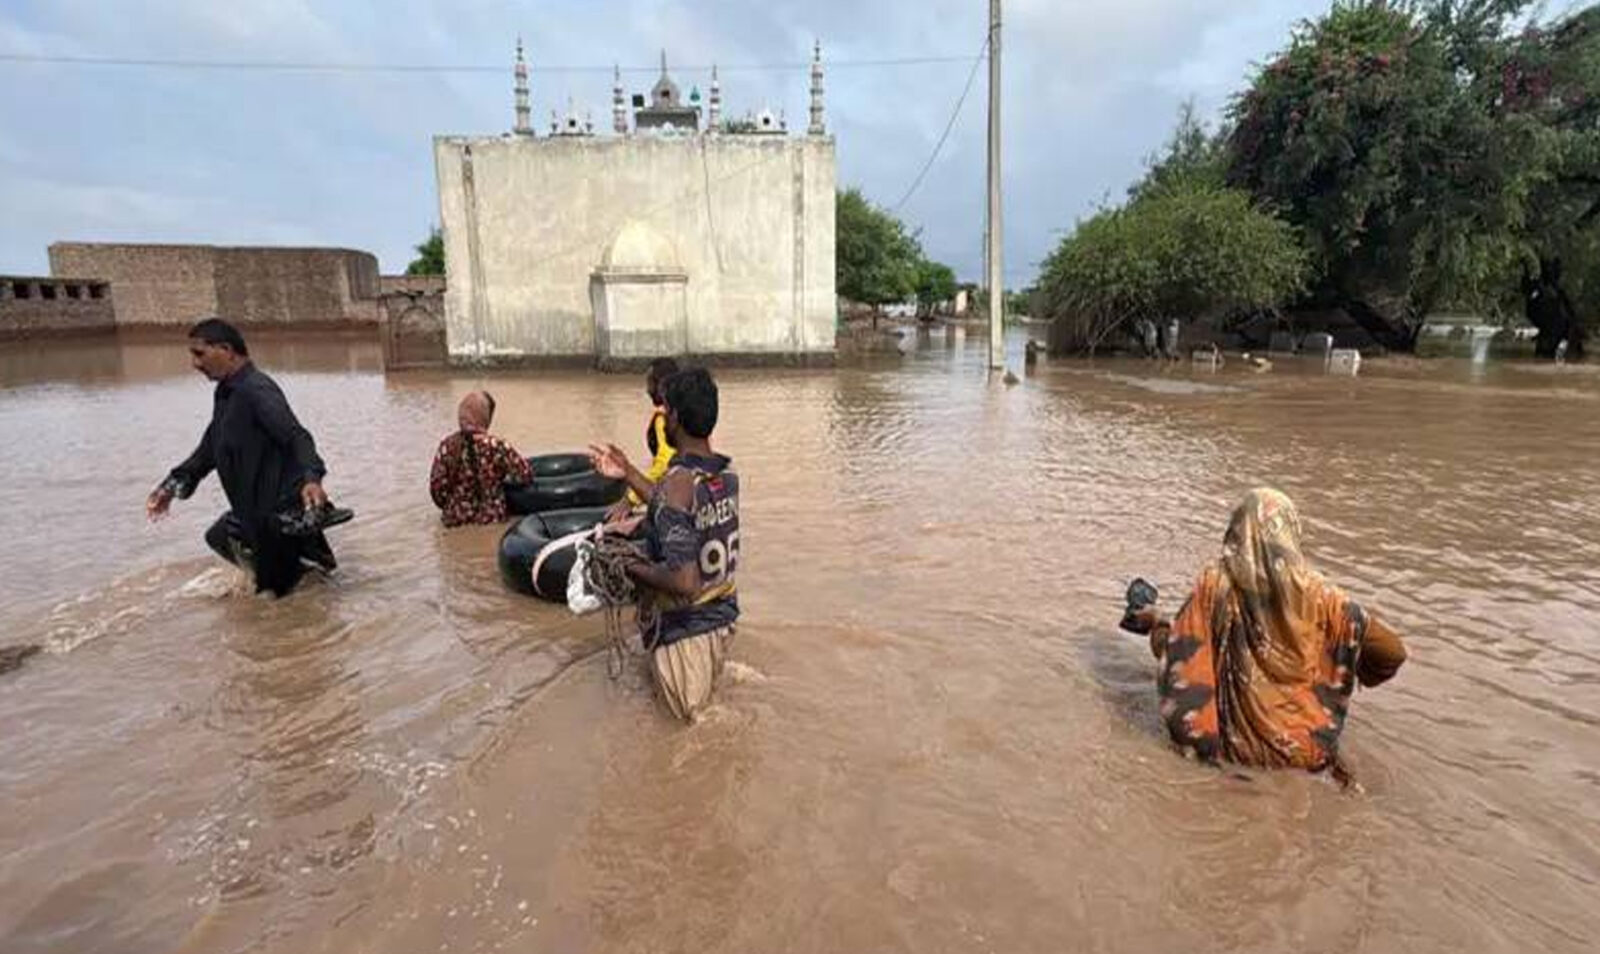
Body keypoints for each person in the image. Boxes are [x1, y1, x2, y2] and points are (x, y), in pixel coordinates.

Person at [1122, 488, 1407, 776]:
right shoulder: (1326, 599)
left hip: (1237, 755)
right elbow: (1392, 653)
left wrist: (1157, 623)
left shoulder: (1217, 586)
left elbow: (1180, 653)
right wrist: (1345, 670)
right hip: (1308, 756)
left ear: (1237, 532)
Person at [146, 318, 340, 597]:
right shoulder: (227, 394)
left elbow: (296, 436)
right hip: (254, 515)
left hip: (278, 519)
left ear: (226, 350)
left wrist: (312, 478)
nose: (195, 364)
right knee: (220, 536)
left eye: (199, 354)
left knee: (278, 602)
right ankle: (304, 579)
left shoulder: (256, 389)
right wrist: (171, 485)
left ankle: (308, 585)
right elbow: (210, 449)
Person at [589, 367, 739, 722]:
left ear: (676, 418)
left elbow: (684, 582)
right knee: (708, 714)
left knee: (690, 737)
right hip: (721, 621)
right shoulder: (723, 474)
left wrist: (626, 564)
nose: (663, 415)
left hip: (686, 636)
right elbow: (672, 508)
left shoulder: (678, 485)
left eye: (667, 409)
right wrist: (628, 472)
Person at [428, 390, 533, 527]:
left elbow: (437, 490)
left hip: (454, 521)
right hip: (491, 521)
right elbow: (525, 475)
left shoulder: (447, 447)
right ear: (486, 419)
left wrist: (453, 506)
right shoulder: (497, 446)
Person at [605, 358, 680, 522]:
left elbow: (664, 463)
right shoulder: (687, 412)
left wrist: (631, 499)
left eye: (650, 383)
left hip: (674, 497)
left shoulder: (664, 420)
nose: (647, 390)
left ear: (661, 386)